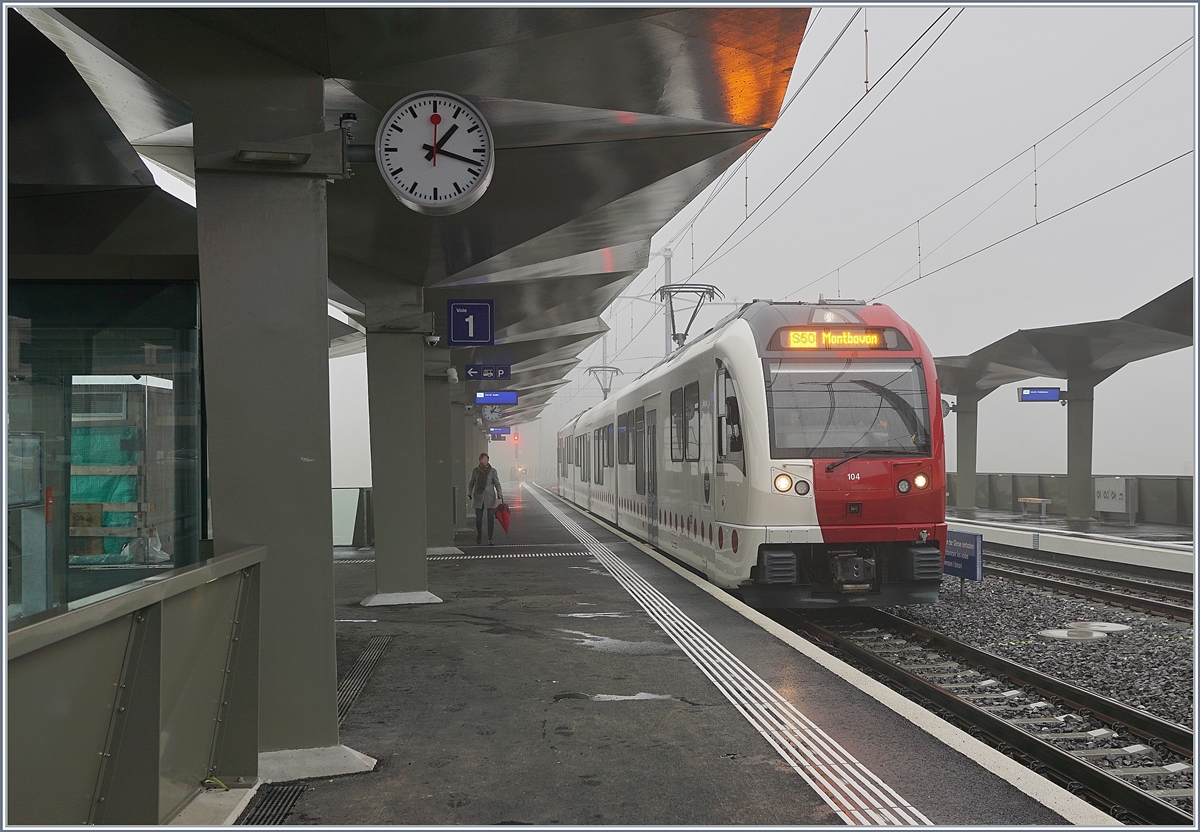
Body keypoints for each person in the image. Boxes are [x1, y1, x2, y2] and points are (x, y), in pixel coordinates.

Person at [468, 453, 504, 545]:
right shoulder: (475, 471)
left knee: (490, 518)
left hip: (489, 497)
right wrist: (469, 492)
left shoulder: (492, 471)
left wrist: (499, 493)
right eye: (483, 459)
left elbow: (497, 483)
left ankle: (490, 538)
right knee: (478, 519)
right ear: (480, 460)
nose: (484, 461)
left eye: (486, 459)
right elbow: (471, 482)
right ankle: (479, 534)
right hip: (478, 496)